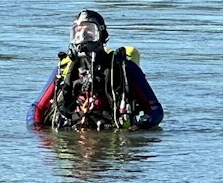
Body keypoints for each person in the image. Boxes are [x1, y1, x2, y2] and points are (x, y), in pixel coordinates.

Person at [30, 9, 164, 130]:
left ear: (101, 34)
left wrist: (140, 127)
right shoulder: (64, 70)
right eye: (77, 31)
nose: (82, 36)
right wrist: (37, 131)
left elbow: (155, 109)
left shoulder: (124, 68)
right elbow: (37, 108)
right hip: (75, 139)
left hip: (112, 141)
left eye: (89, 30)